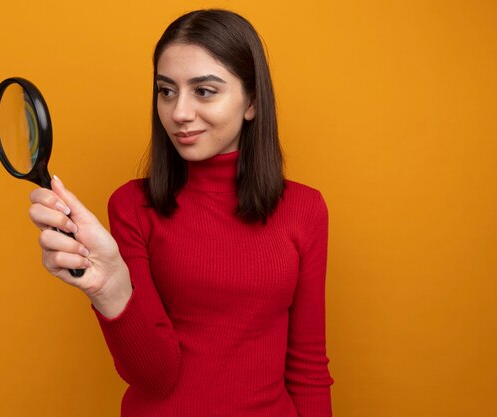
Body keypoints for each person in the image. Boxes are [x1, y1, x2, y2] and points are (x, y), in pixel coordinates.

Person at [28, 9, 333, 417]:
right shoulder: (132, 207)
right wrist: (110, 287)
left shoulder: (305, 210)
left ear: (252, 102)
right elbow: (155, 377)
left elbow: (308, 368)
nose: (179, 113)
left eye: (204, 91)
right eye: (166, 91)